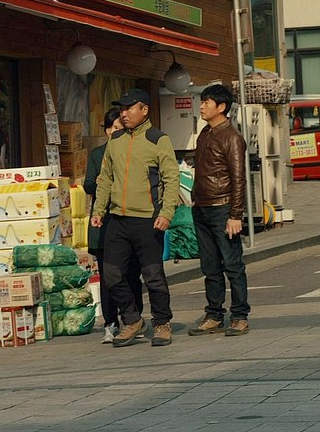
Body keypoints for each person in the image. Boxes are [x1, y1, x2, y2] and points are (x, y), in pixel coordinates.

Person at [90, 88, 179, 348]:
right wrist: (99, 210)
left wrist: (166, 213)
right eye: (122, 109)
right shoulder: (116, 140)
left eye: (129, 108)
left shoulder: (158, 139)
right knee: (111, 275)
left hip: (147, 220)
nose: (124, 114)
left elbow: (171, 179)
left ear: (144, 110)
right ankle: (132, 319)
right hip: (117, 220)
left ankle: (161, 323)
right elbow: (105, 179)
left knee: (153, 276)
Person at [187, 84, 251, 337]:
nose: (202, 106)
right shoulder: (204, 133)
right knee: (209, 266)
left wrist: (235, 215)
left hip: (223, 208)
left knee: (232, 265)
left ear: (221, 107)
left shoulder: (231, 137)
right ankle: (214, 315)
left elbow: (238, 179)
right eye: (202, 102)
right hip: (201, 208)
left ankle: (240, 316)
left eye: (207, 102)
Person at [85, 108, 144, 344]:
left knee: (131, 273)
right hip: (104, 222)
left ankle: (135, 319)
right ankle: (110, 323)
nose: (114, 131)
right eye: (111, 128)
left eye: (119, 127)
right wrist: (98, 182)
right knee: (108, 275)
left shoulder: (133, 150)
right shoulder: (97, 154)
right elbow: (88, 185)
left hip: (129, 220)